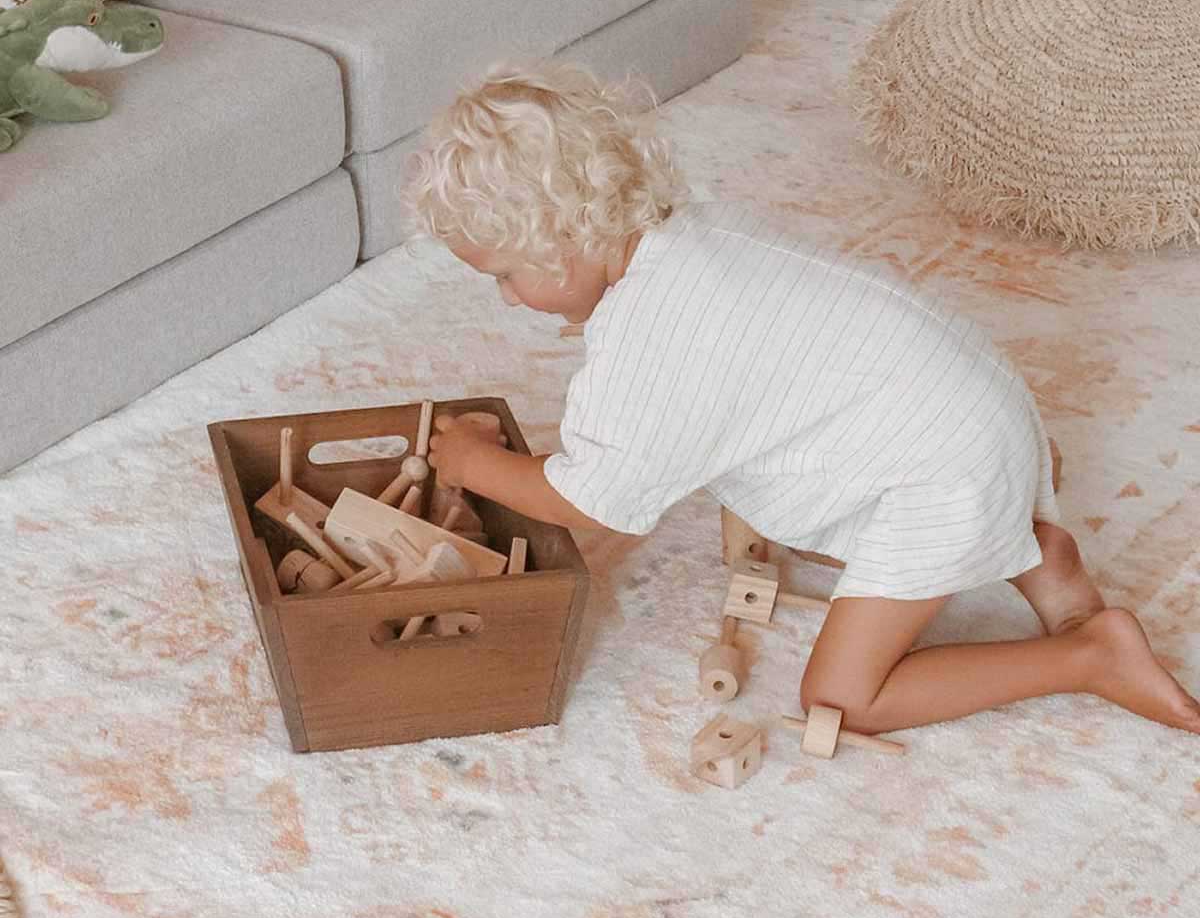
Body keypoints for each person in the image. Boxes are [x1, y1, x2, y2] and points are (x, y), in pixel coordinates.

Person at [400, 58, 1200, 738]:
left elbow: (593, 498)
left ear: (562, 241)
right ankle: (1036, 555)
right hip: (983, 411)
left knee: (843, 698)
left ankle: (1086, 656)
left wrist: (475, 463)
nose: (508, 298)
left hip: (945, 471)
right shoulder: (696, 234)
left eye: (507, 276)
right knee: (817, 516)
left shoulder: (652, 337)